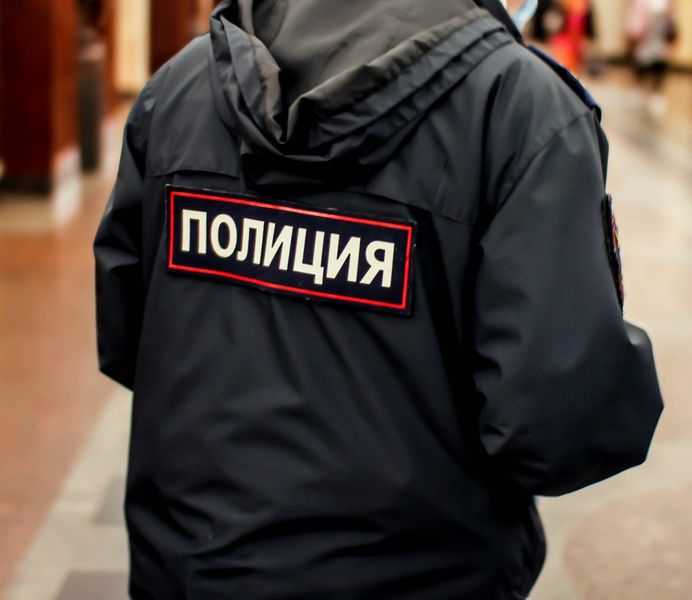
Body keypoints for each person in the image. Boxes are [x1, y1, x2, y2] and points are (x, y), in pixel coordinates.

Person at [94, 0, 663, 598]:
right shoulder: (519, 111)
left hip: (192, 568)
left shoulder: (183, 86)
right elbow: (559, 430)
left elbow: (128, 339)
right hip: (425, 577)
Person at [626, 0, 678, 113]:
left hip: (659, 40)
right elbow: (634, 19)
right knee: (642, 66)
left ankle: (656, 94)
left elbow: (671, 23)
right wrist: (634, 36)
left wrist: (671, 43)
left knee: (659, 67)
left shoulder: (666, 3)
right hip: (644, 40)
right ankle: (638, 89)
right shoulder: (640, 3)